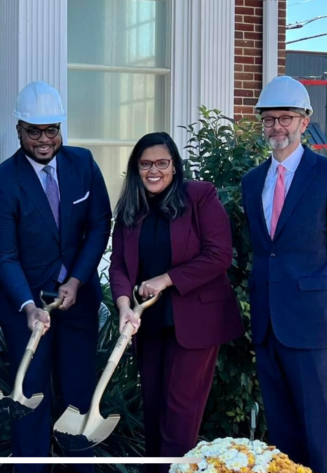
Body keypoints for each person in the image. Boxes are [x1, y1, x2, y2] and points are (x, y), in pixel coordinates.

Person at [0, 81, 112, 472]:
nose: (43, 139)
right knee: (30, 400)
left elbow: (99, 225)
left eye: (51, 129)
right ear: (18, 129)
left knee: (78, 398)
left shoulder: (83, 164)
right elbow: (3, 256)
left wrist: (78, 279)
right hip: (27, 308)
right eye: (33, 131)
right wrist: (27, 305)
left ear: (60, 128)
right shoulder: (2, 182)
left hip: (79, 302)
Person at [241, 76, 327, 473]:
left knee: (317, 438)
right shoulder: (252, 182)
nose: (276, 127)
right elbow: (264, 251)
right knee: (283, 438)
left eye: (286, 118)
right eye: (269, 119)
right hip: (267, 327)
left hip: (315, 327)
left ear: (304, 122)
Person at [108, 132, 242, 473]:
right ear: (136, 168)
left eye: (162, 163)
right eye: (146, 164)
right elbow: (119, 264)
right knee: (154, 411)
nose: (154, 171)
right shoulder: (130, 208)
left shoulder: (199, 196)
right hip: (148, 323)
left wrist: (165, 279)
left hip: (195, 322)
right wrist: (123, 305)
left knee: (180, 415)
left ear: (174, 166)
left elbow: (219, 255)